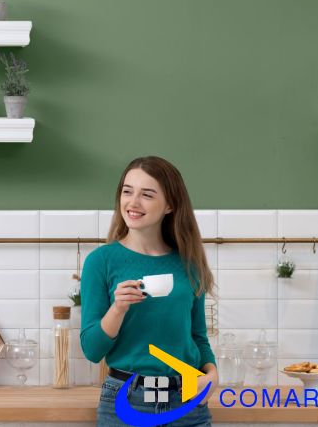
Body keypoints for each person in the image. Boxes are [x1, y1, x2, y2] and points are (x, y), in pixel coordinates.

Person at [80, 156, 217, 427]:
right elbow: (92, 350)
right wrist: (118, 308)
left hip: (188, 400)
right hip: (126, 399)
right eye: (127, 191)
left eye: (147, 195)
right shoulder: (101, 261)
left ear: (170, 205)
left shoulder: (189, 263)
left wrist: (212, 373)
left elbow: (198, 337)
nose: (133, 202)